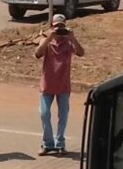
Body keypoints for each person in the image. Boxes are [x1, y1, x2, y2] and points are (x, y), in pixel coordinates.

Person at [35, 14, 85, 156]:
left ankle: (60, 143)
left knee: (63, 116)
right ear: (51, 27)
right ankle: (47, 143)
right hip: (47, 85)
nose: (59, 30)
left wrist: (73, 38)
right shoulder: (46, 40)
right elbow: (38, 54)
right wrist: (49, 38)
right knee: (44, 114)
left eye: (61, 26)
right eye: (56, 27)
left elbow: (81, 53)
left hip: (63, 85)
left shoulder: (68, 43)